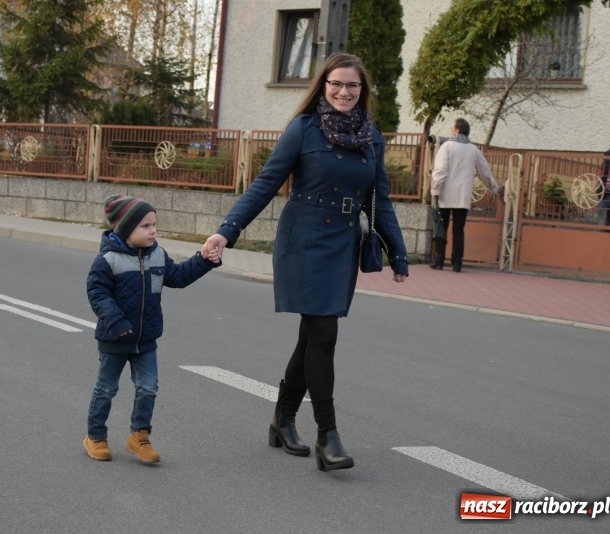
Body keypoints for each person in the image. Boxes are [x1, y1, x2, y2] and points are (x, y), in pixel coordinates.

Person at [201, 52, 409, 472]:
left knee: (312, 336)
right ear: (323, 85)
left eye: (352, 85)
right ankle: (327, 436)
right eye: (336, 83)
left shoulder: (372, 137)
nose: (343, 92)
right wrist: (228, 230)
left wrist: (397, 252)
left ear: (362, 91)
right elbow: (265, 183)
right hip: (305, 240)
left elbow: (379, 199)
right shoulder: (304, 128)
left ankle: (282, 419)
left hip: (342, 243)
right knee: (324, 332)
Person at [84, 194, 220, 463]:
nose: (153, 230)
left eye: (154, 224)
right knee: (107, 388)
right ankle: (95, 436)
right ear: (124, 229)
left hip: (145, 340)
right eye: (145, 226)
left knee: (148, 387)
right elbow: (97, 294)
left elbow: (178, 277)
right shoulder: (108, 260)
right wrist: (117, 322)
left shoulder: (157, 255)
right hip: (115, 338)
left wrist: (204, 260)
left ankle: (139, 437)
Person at [429, 118, 501, 272]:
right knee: (458, 230)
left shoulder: (447, 146)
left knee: (442, 227)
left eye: (452, 127)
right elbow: (485, 173)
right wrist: (496, 189)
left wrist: (435, 189)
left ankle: (439, 261)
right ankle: (457, 263)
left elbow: (440, 171)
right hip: (462, 196)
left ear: (457, 130)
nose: (450, 130)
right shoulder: (474, 150)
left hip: (445, 194)